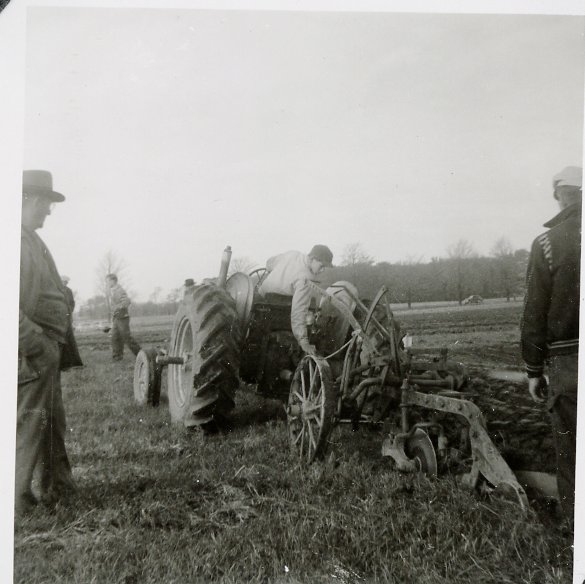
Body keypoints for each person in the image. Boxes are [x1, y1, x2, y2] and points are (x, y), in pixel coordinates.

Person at [17, 170, 82, 517]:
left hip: (43, 352)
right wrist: (36, 344)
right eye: (45, 202)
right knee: (30, 424)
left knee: (49, 422)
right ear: (26, 199)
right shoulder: (14, 242)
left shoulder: (30, 240)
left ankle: (57, 487)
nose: (48, 211)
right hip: (32, 354)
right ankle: (16, 503)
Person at [521, 165, 581, 526]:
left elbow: (534, 313)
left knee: (573, 452)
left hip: (569, 364)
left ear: (558, 194)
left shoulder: (546, 243)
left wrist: (533, 369)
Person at [257, 244, 333, 355]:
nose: (322, 270)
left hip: (260, 301)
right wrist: (303, 341)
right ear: (313, 259)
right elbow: (298, 311)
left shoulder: (293, 254)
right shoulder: (306, 279)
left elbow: (269, 264)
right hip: (276, 315)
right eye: (321, 266)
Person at [105, 273, 141, 361]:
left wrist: (118, 308)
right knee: (114, 337)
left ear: (113, 280)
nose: (107, 283)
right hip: (116, 318)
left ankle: (141, 355)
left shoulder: (120, 290)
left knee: (126, 337)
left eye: (108, 281)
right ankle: (117, 357)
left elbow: (127, 302)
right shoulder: (111, 291)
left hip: (122, 317)